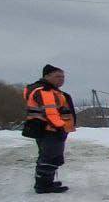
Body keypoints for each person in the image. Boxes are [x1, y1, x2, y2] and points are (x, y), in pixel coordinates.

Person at [22, 64, 76, 193]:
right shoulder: (45, 91)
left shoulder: (49, 90)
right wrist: (60, 127)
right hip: (50, 129)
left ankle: (46, 182)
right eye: (58, 76)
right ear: (46, 76)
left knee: (48, 155)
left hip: (46, 129)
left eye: (63, 77)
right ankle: (44, 185)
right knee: (51, 157)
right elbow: (50, 112)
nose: (61, 79)